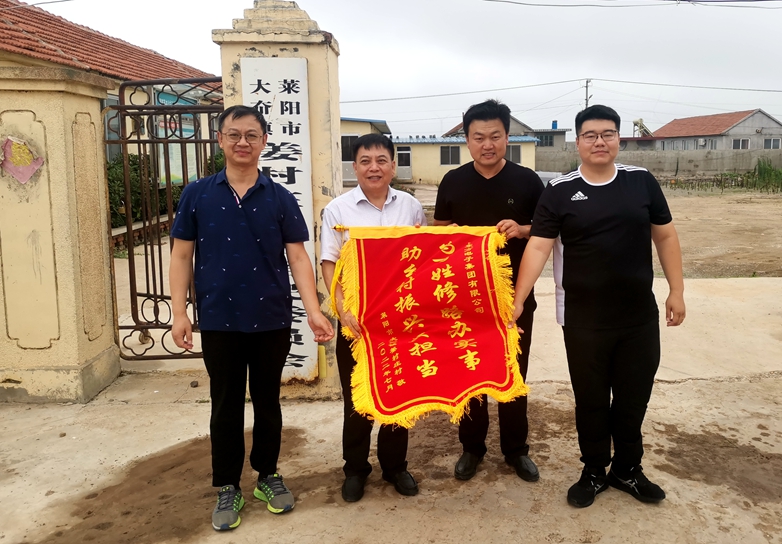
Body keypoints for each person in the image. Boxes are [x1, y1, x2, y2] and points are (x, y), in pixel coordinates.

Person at [511, 104, 685, 508]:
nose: (599, 141)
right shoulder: (559, 190)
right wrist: (518, 300)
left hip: (637, 316)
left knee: (632, 398)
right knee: (590, 400)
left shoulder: (641, 182)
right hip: (583, 319)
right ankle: (593, 470)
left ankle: (627, 469)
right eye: (590, 135)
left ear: (618, 138)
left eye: (608, 134)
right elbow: (537, 246)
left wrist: (676, 290)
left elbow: (665, 236)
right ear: (578, 142)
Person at [169, 105, 334, 531]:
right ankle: (228, 485)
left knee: (267, 401)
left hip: (271, 319)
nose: (242, 142)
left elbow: (298, 257)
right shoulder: (197, 194)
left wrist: (314, 311)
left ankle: (267, 475)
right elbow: (181, 256)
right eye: (234, 134)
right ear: (220, 140)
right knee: (225, 404)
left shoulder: (279, 197)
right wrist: (179, 312)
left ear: (264, 142)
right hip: (219, 319)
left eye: (251, 135)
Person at [434, 99, 545, 483]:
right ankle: (472, 448)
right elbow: (439, 233)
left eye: (495, 136)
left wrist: (522, 229)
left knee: (513, 373)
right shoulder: (453, 182)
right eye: (478, 137)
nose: (487, 144)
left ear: (507, 137)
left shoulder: (527, 181)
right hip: (465, 300)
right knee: (470, 374)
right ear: (467, 140)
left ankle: (516, 450)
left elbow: (547, 231)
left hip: (515, 297)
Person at [321, 133, 427, 502]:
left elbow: (422, 258)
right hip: (357, 324)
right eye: (365, 161)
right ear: (355, 167)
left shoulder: (411, 207)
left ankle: (395, 466)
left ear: (393, 166)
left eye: (382, 160)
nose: (374, 168)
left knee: (400, 394)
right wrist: (343, 309)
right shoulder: (338, 210)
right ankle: (355, 469)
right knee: (357, 401)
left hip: (401, 323)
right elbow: (329, 263)